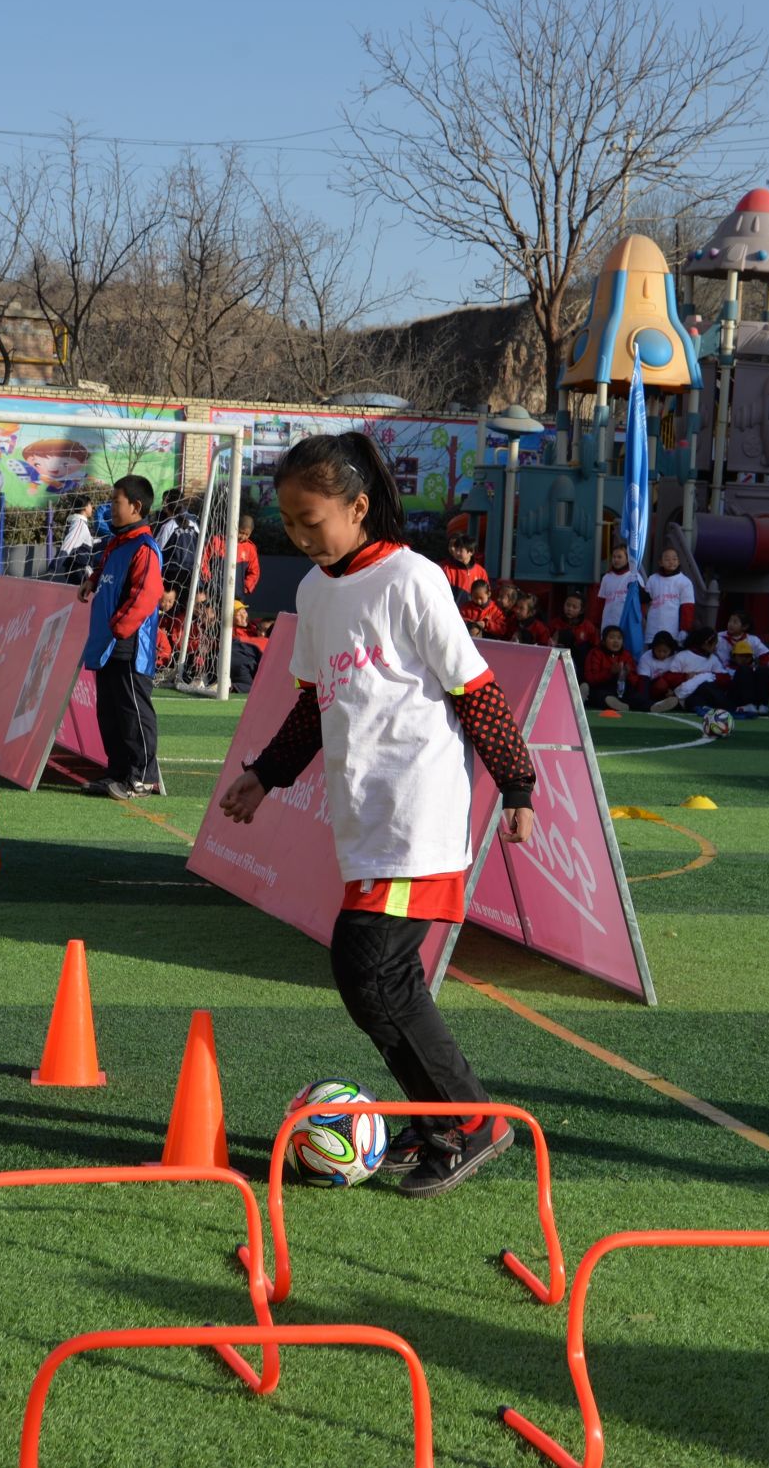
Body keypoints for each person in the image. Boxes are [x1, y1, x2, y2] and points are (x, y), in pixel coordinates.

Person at [217, 431, 536, 1198]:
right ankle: (442, 1122)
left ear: (358, 508)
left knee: (369, 966)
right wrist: (264, 775)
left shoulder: (411, 578)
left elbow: (475, 689)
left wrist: (517, 785)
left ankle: (468, 1123)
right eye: (288, 523)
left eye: (311, 519)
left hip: (417, 816)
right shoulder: (315, 592)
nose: (298, 536)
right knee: (378, 977)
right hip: (364, 822)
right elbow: (311, 708)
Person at [78, 473, 164, 799]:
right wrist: (93, 580)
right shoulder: (119, 542)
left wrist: (118, 628)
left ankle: (140, 778)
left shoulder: (144, 547)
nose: (110, 507)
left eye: (116, 502)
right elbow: (108, 569)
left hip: (128, 644)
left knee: (133, 712)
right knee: (110, 711)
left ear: (136, 506)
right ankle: (116, 772)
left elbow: (147, 594)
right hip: (109, 642)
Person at [721, 610, 769, 715]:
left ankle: (762, 705)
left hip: (748, 676)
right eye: (730, 621)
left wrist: (756, 669)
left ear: (745, 627)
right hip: (729, 677)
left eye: (735, 622)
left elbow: (767, 656)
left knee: (763, 671)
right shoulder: (719, 638)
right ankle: (747, 704)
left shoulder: (753, 640)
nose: (730, 624)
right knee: (744, 670)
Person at [643, 631, 707, 713]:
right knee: (661, 684)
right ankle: (653, 704)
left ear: (671, 649)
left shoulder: (678, 655)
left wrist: (674, 691)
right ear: (653, 649)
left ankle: (671, 703)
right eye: (658, 651)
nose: (661, 654)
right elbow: (643, 681)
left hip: (675, 688)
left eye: (665, 651)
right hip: (655, 688)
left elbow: (679, 676)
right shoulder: (646, 658)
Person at [644, 547, 699, 638]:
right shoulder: (653, 579)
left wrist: (684, 630)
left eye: (674, 559)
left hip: (673, 631)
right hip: (652, 629)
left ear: (679, 561)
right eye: (667, 559)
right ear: (660, 562)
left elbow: (687, 608)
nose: (671, 562)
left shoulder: (684, 582)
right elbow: (646, 601)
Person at [205, 512, 260, 601]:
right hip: (214, 593)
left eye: (247, 534)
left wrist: (245, 587)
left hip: (237, 596)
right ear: (235, 528)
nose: (243, 536)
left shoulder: (250, 549)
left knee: (239, 615)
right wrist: (208, 579)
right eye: (241, 532)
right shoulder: (217, 541)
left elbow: (255, 571)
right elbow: (204, 560)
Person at [581, 624, 637, 711]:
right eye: (612, 638)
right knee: (601, 696)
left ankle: (655, 707)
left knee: (637, 698)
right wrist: (610, 672)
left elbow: (635, 681)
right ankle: (618, 705)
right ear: (603, 641)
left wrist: (627, 674)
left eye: (619, 638)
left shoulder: (626, 655)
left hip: (620, 690)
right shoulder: (595, 653)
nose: (616, 641)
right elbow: (590, 679)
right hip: (600, 688)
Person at [595, 543, 642, 631]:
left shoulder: (634, 577)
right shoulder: (606, 577)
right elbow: (600, 602)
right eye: (614, 557)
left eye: (619, 557)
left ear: (627, 558)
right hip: (607, 623)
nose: (616, 560)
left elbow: (641, 603)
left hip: (626, 624)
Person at [555, 591, 598, 673]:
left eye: (574, 607)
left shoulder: (589, 627)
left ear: (581, 610)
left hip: (581, 664)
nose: (570, 609)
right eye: (568, 605)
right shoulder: (555, 624)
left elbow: (595, 649)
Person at [228, 600, 267, 689]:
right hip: (244, 664)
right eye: (238, 614)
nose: (243, 616)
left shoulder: (255, 625)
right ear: (230, 617)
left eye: (244, 612)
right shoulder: (231, 633)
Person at [440, 533, 487, 602]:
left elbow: (486, 594)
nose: (457, 553)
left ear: (471, 552)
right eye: (456, 549)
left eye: (460, 550)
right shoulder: (446, 569)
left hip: (472, 612)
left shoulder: (481, 571)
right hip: (452, 610)